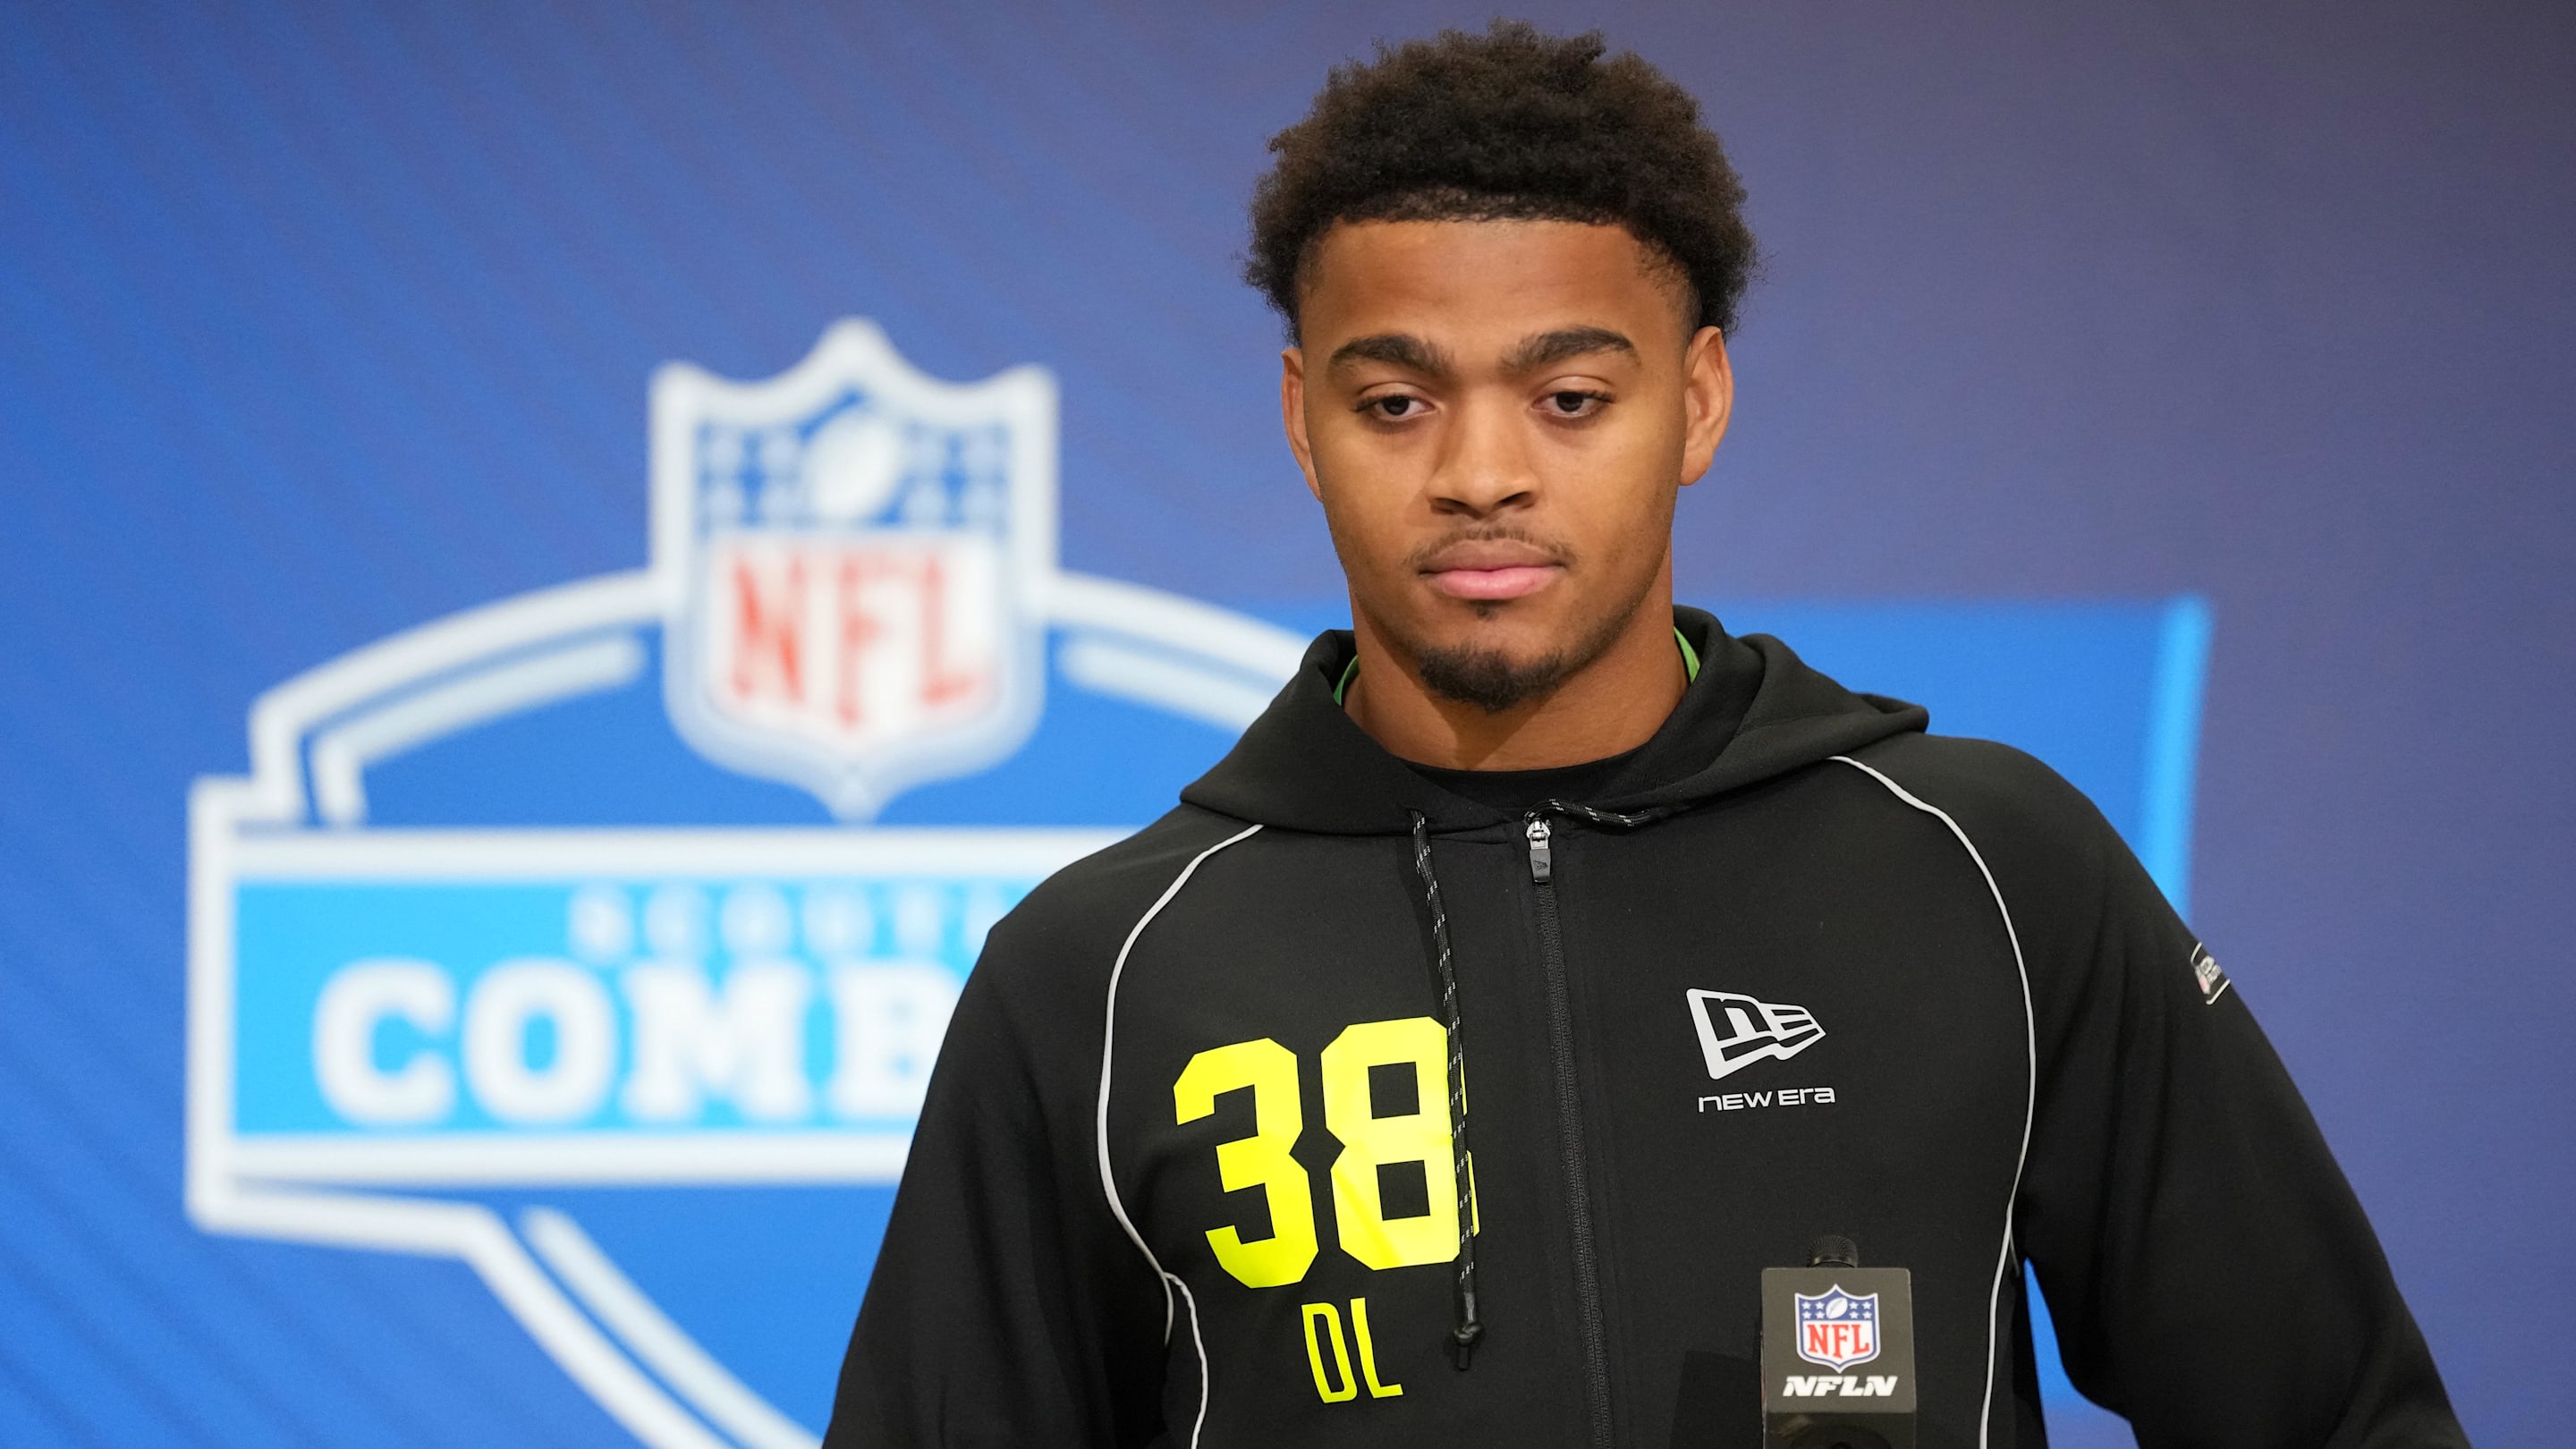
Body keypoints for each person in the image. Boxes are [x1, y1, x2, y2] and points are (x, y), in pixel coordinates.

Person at [824, 22, 2464, 1448]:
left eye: (1569, 398)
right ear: (1299, 419)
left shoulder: (1992, 870)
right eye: (1396, 400)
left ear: (1698, 403)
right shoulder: (1097, 972)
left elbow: (2332, 1418)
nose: (1479, 471)